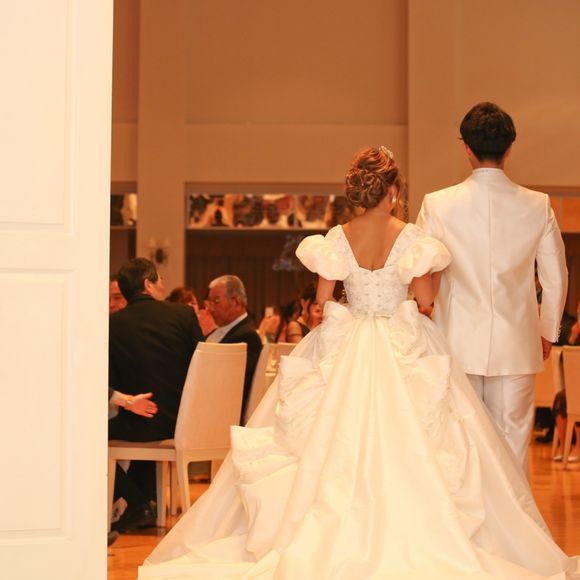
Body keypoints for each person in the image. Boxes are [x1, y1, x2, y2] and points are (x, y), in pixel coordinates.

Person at [138, 147, 571, 579]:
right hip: (401, 341)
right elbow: (425, 300)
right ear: (394, 191)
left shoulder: (337, 237)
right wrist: (430, 280)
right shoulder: (412, 238)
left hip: (346, 341)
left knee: (328, 440)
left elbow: (323, 301)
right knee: (423, 436)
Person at [416, 102, 568, 474]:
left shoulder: (437, 205)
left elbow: (419, 270)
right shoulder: (537, 205)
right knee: (512, 448)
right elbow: (555, 276)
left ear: (466, 148)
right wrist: (546, 330)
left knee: (460, 448)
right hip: (516, 342)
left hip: (455, 341)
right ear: (509, 148)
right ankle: (514, 512)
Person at [109, 258, 204, 530]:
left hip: (142, 418)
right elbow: (202, 366)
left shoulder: (113, 325)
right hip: (184, 420)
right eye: (160, 279)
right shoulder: (183, 315)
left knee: (87, 435)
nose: (163, 284)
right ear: (148, 284)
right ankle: (142, 504)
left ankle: (138, 503)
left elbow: (109, 379)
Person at [205, 275, 263, 423]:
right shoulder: (220, 330)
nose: (210, 308)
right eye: (209, 302)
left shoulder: (247, 336)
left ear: (236, 302)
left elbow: (227, 381)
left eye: (216, 301)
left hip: (224, 413)